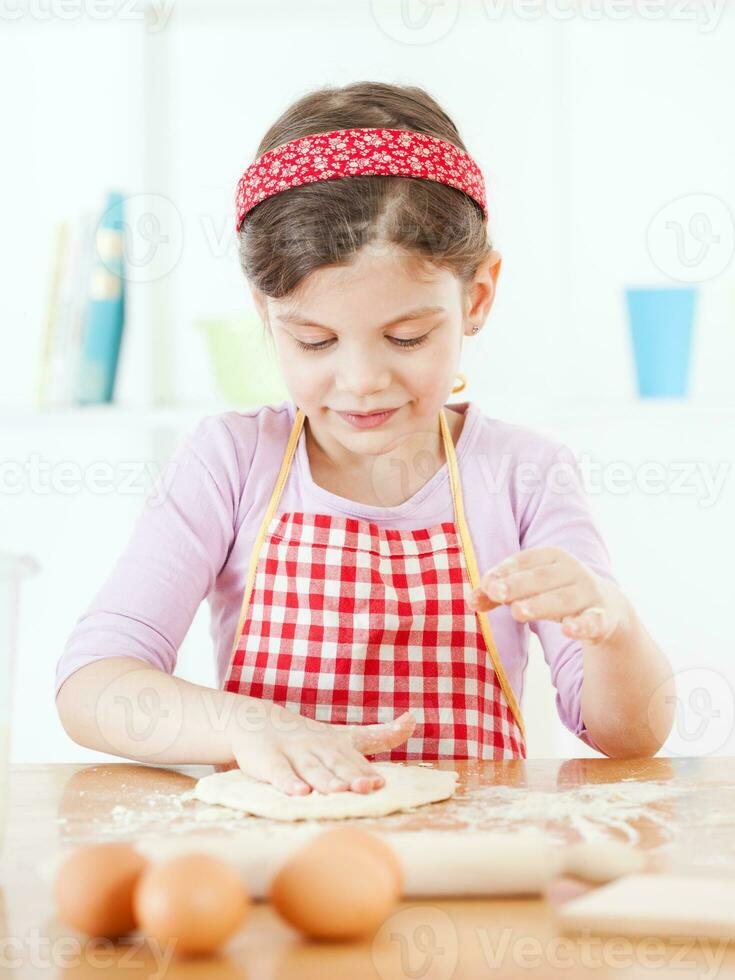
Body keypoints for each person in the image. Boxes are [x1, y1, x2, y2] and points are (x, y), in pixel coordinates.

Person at [55, 81, 675, 797]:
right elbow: (91, 684)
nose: (360, 382)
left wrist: (614, 626)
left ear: (476, 297)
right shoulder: (229, 463)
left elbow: (627, 735)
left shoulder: (524, 475)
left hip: (471, 868)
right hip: (278, 872)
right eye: (315, 341)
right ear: (266, 312)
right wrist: (243, 725)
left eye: (405, 337)